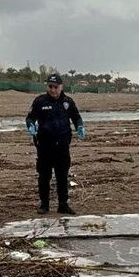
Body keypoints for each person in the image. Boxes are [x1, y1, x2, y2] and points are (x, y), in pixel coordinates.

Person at [26, 73, 85, 214]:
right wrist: (30, 126)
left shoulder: (68, 102)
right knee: (44, 176)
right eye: (50, 87)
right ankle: (44, 205)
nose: (52, 90)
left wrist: (80, 127)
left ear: (61, 86)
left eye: (55, 87)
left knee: (62, 175)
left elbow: (77, 118)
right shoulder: (40, 101)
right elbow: (30, 118)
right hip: (45, 146)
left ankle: (63, 204)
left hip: (63, 146)